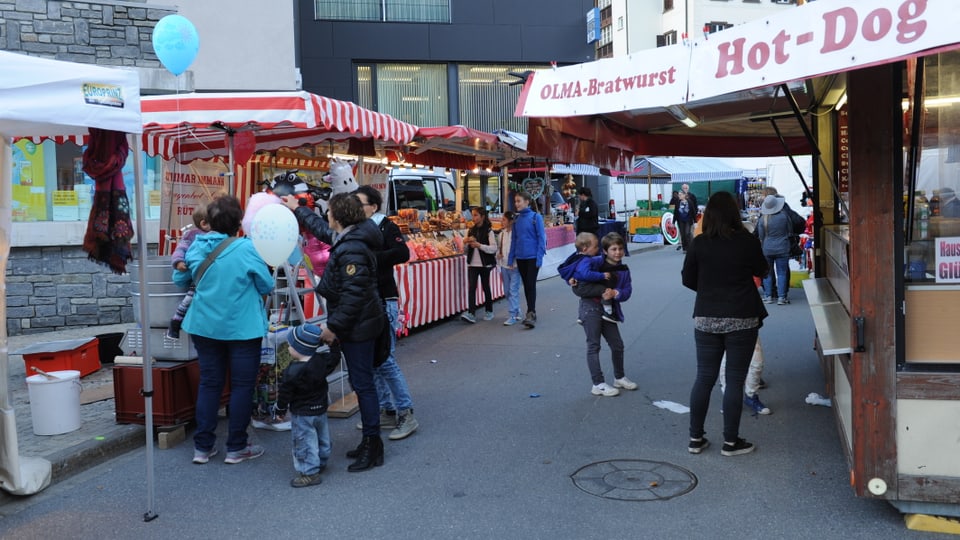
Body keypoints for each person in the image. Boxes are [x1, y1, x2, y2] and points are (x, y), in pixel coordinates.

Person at [287, 192, 386, 472]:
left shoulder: (352, 246)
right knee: (361, 382)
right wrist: (299, 209)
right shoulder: (351, 237)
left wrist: (333, 327)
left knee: (363, 384)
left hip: (359, 326)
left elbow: (353, 296)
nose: (327, 216)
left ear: (339, 216)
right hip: (359, 323)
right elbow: (321, 228)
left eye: (329, 212)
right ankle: (370, 440)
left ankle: (373, 444)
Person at [173, 195, 275, 465]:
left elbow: (179, 278)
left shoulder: (195, 247)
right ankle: (236, 447)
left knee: (209, 383)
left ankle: (202, 448)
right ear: (238, 223)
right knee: (242, 387)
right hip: (242, 328)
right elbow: (266, 285)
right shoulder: (246, 248)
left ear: (211, 221)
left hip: (204, 326)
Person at [681, 191, 769, 457]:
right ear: (734, 212)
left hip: (706, 316)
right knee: (734, 380)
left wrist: (709, 290)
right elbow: (762, 270)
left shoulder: (699, 243)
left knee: (704, 378)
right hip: (742, 316)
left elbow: (687, 279)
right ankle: (731, 442)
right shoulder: (746, 240)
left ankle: (696, 438)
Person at [354, 185, 419, 442]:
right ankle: (386, 409)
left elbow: (403, 252)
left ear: (374, 206)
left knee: (385, 359)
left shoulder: (386, 227)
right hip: (365, 301)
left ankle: (406, 412)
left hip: (383, 299)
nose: (357, 208)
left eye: (361, 203)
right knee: (372, 360)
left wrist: (372, 257)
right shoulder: (356, 229)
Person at [567, 232, 637, 397]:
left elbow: (627, 291)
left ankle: (619, 377)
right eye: (613, 249)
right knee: (594, 345)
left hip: (609, 311)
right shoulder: (595, 262)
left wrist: (616, 293)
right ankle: (597, 383)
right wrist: (570, 279)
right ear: (605, 251)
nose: (618, 252)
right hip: (590, 307)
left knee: (617, 344)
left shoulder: (624, 270)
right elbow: (577, 270)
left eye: (620, 248)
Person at [273, 324, 336, 488]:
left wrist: (280, 410)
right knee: (322, 437)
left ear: (299, 349)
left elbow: (285, 394)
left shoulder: (292, 372)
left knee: (304, 441)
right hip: (320, 409)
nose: (289, 348)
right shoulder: (321, 361)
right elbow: (335, 359)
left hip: (302, 413)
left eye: (291, 345)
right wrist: (334, 344)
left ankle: (309, 472)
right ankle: (321, 461)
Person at [166, 207, 211, 339]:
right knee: (188, 299)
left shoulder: (217, 235)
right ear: (204, 223)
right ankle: (175, 322)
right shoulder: (191, 236)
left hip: (208, 275)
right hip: (196, 275)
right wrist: (178, 262)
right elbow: (180, 250)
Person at [508, 191, 546, 329]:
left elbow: (542, 238)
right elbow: (514, 240)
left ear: (527, 202)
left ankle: (531, 312)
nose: (516, 203)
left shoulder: (536, 217)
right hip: (520, 257)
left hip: (532, 257)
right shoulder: (516, 220)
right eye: (516, 201)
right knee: (526, 285)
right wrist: (511, 257)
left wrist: (539, 257)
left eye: (519, 201)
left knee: (530, 284)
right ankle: (530, 311)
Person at [461, 206, 499, 323]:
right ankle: (471, 313)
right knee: (472, 288)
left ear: (482, 217)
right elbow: (465, 250)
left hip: (485, 264)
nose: (474, 217)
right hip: (472, 264)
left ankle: (489, 311)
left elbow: (493, 248)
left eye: (476, 215)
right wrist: (466, 243)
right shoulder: (470, 230)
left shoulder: (489, 231)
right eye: (473, 215)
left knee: (485, 287)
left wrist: (479, 245)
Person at [756, 194, 793, 305]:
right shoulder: (784, 216)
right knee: (782, 273)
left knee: (767, 273)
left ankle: (768, 296)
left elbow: (761, 236)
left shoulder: (763, 219)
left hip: (767, 248)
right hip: (783, 247)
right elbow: (789, 231)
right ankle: (782, 297)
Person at [497, 211, 523, 326]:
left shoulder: (516, 234)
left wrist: (515, 260)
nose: (501, 222)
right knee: (507, 291)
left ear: (510, 221)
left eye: (504, 220)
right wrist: (498, 254)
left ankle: (512, 314)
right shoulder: (501, 234)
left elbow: (518, 249)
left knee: (513, 290)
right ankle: (516, 309)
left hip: (515, 266)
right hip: (504, 265)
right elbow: (499, 248)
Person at [673, 184, 698, 252]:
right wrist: (673, 221)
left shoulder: (690, 201)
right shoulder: (678, 202)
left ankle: (690, 247)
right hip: (680, 220)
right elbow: (675, 212)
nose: (679, 196)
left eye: (680, 195)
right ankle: (685, 248)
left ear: (684, 195)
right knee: (683, 234)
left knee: (688, 233)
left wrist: (695, 221)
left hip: (688, 220)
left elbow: (693, 210)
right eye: (679, 195)